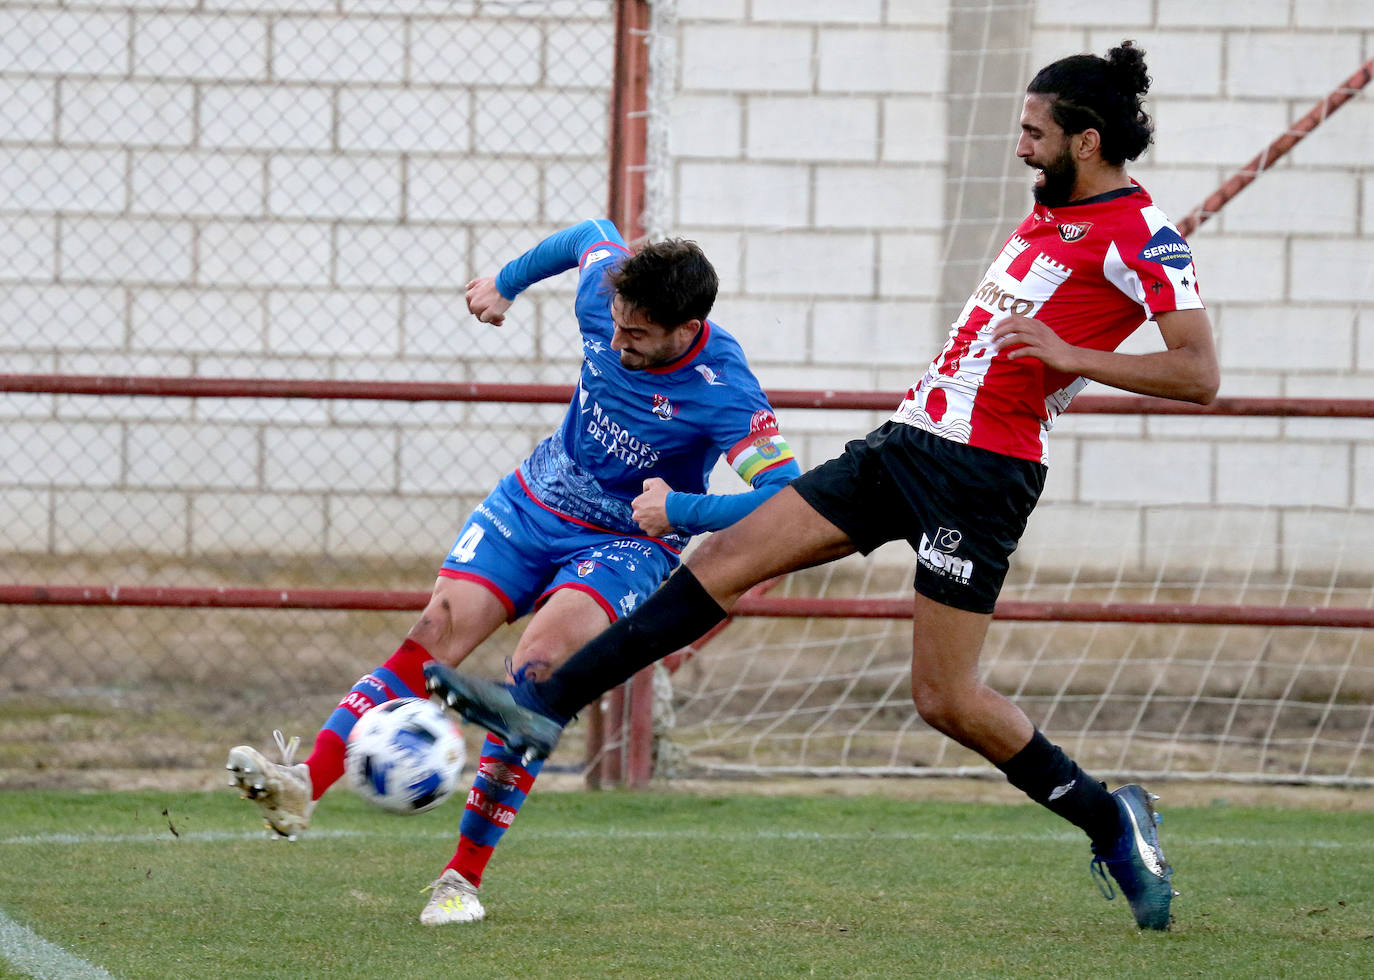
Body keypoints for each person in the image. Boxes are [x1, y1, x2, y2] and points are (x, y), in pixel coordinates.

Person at [424, 41, 1219, 932]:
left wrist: (1073, 357)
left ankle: (1110, 818)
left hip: (984, 477)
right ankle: (541, 709)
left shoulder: (1146, 237)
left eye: (1035, 132)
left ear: (1087, 139)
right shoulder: (1051, 211)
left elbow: (1198, 375)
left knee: (943, 700)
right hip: (906, 442)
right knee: (725, 557)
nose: (1021, 145)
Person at [226, 217, 802, 925]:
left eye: (637, 338)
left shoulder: (724, 389)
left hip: (623, 544)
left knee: (533, 675)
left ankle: (459, 880)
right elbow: (591, 232)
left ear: (687, 328)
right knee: (436, 628)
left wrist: (681, 508)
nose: (617, 346)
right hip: (534, 500)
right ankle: (305, 785)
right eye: (614, 328)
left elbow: (783, 495)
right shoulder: (607, 291)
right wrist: (505, 281)